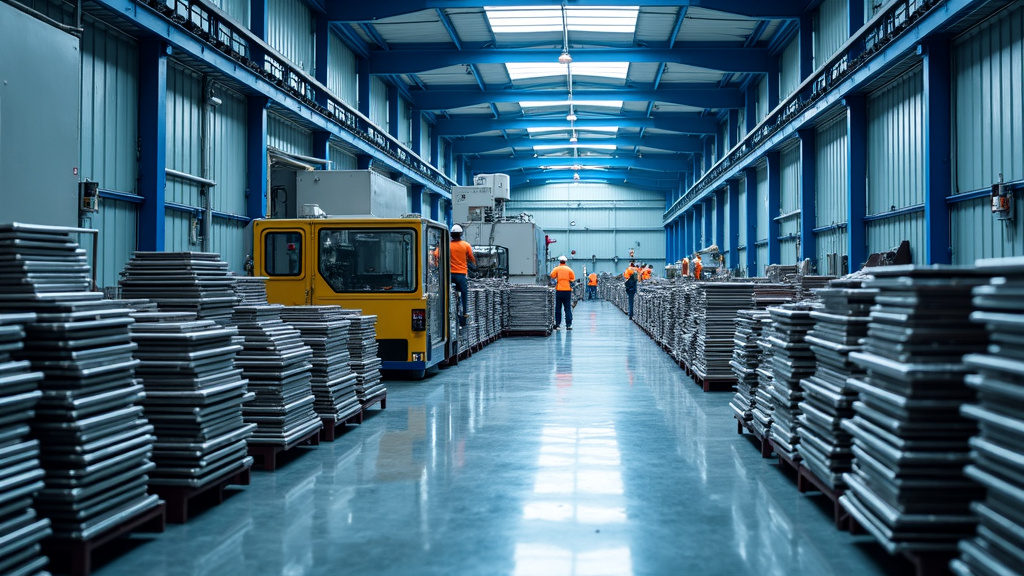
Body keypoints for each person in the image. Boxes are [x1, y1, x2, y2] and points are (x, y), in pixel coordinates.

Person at [450, 224, 475, 327]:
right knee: (464, 294)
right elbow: (472, 259)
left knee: (449, 294)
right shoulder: (466, 245)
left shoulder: (447, 245)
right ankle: (464, 314)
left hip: (450, 275)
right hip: (461, 274)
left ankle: (448, 312)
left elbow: (436, 255)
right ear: (461, 234)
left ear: (451, 234)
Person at [550, 255, 576, 330]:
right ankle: (569, 324)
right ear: (565, 262)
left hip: (559, 290)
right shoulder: (569, 270)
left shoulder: (556, 269)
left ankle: (558, 324)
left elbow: (552, 276)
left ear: (559, 261)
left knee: (558, 308)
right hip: (567, 291)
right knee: (567, 308)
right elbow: (572, 280)